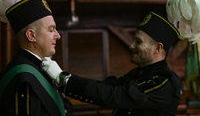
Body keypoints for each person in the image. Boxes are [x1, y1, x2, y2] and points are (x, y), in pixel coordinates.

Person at [41, 11, 181, 116]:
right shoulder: (137, 74)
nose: (131, 45)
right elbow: (105, 87)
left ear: (157, 48)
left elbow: (114, 95)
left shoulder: (166, 80)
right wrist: (65, 80)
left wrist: (64, 79)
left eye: (138, 42)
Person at [0, 0, 73, 116]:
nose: (58, 35)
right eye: (51, 30)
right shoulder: (23, 78)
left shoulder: (40, 69)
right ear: (31, 36)